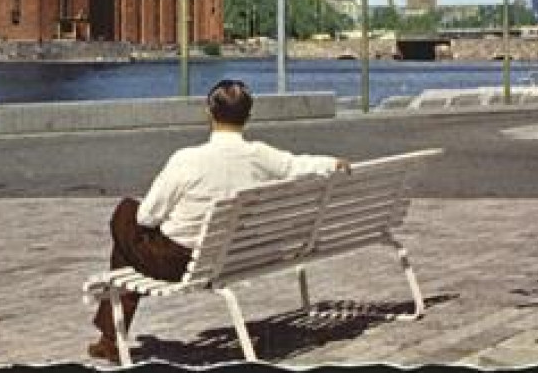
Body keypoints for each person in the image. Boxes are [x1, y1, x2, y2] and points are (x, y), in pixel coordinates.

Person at [88, 78, 349, 363]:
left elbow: (147, 217)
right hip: (232, 255)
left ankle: (110, 338)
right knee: (129, 247)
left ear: (209, 113)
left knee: (126, 213)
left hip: (181, 261)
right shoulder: (259, 155)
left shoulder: (187, 159)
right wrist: (330, 163)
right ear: (248, 116)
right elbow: (296, 165)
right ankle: (108, 338)